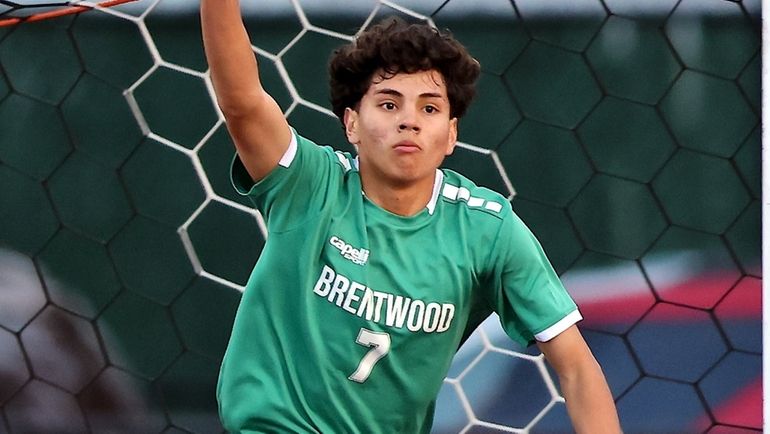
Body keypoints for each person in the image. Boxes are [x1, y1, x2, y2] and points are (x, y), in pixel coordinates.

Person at [201, 1, 621, 432]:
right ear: (351, 124)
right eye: (388, 104)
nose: (409, 121)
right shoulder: (310, 185)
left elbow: (577, 368)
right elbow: (242, 103)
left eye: (430, 108)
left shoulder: (487, 228)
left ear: (451, 134)